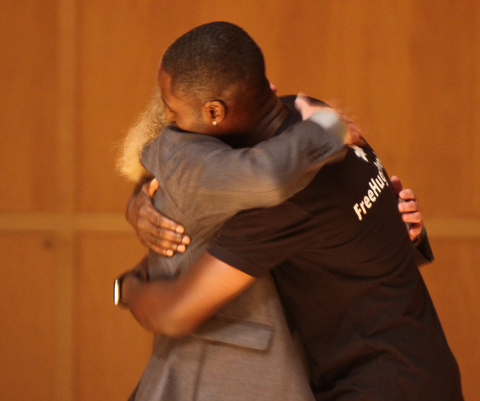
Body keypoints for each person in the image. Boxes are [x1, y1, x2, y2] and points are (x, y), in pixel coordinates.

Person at [121, 22, 463, 400]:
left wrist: (128, 286)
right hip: (427, 366)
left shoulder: (280, 196)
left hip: (378, 384)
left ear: (214, 111)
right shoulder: (316, 117)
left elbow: (177, 312)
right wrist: (141, 198)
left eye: (172, 112)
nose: (169, 123)